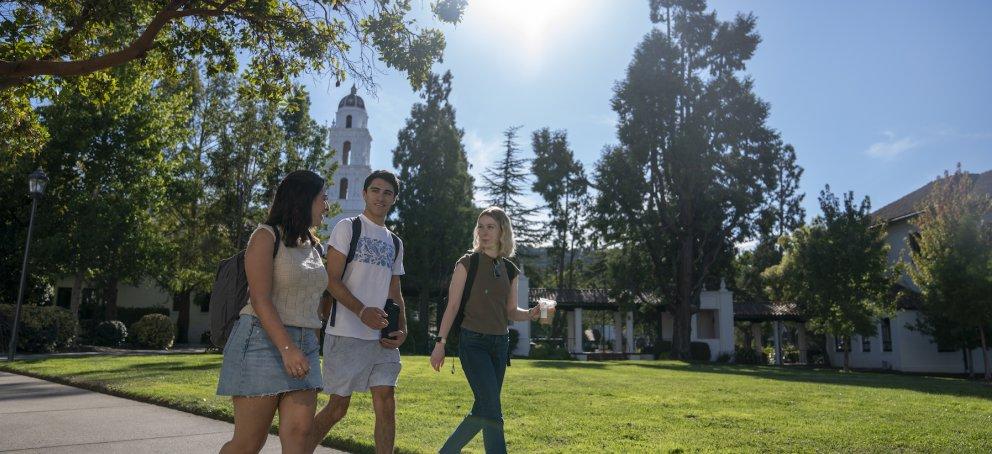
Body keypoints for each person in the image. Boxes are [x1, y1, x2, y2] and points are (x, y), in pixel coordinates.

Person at [216, 170, 329, 454]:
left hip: (305, 346)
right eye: (322, 199)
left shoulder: (314, 247)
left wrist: (310, 344)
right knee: (249, 443)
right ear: (303, 200)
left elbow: (313, 301)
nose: (326, 206)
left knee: (300, 436)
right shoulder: (265, 237)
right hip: (261, 342)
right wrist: (287, 348)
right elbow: (260, 299)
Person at [430, 206, 552, 454]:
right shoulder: (467, 263)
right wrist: (440, 343)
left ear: (502, 232)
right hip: (472, 342)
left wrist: (531, 313)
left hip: (500, 345)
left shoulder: (510, 269)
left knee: (485, 408)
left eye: (490, 227)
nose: (484, 232)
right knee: (493, 410)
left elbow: (511, 312)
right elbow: (452, 306)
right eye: (481, 226)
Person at [309, 170, 407, 454]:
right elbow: (331, 279)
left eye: (387, 192)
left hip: (382, 339)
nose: (381, 196)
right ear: (365, 194)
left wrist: (402, 328)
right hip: (346, 333)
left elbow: (395, 289)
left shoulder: (396, 242)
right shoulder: (347, 227)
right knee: (338, 407)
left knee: (387, 403)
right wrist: (362, 311)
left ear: (394, 199)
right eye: (375, 190)